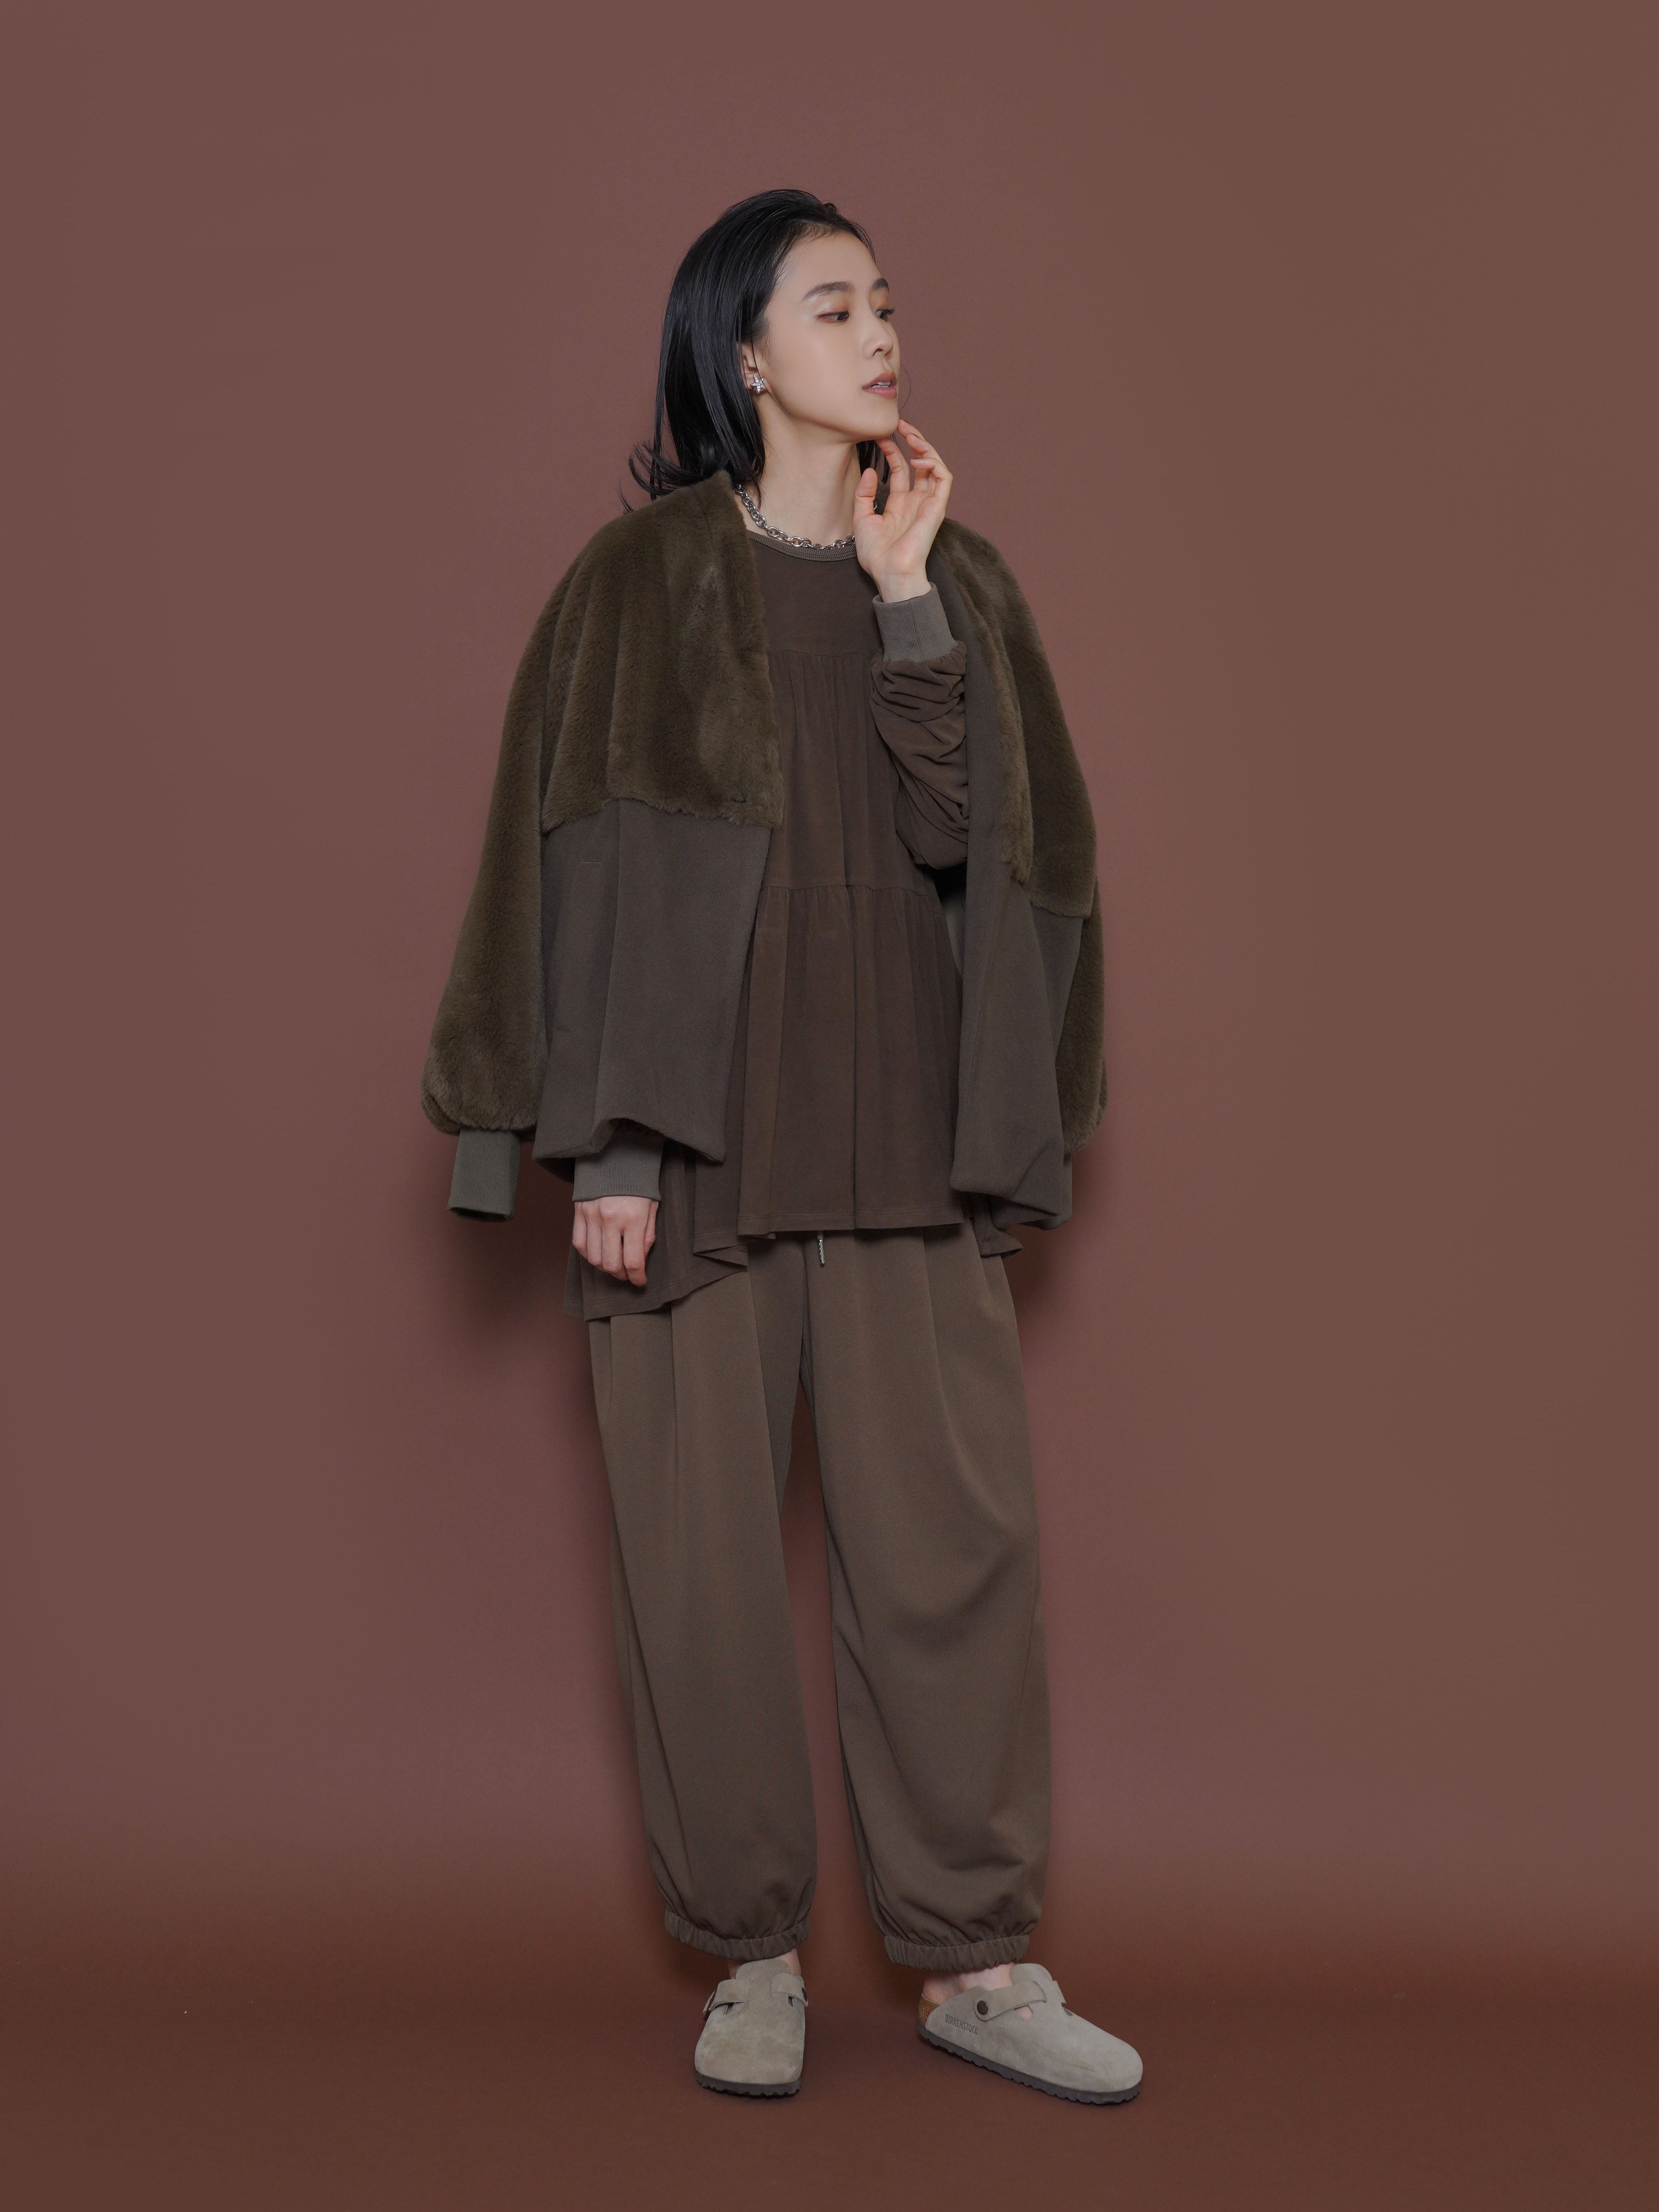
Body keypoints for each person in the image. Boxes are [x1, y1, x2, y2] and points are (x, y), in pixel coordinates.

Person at [422, 188, 1140, 2104]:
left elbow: (995, 854)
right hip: (692, 1150)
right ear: (741, 353)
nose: (879, 331)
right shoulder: (635, 582)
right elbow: (563, 856)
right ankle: (751, 1952)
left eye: (886, 301)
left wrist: (904, 600)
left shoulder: (960, 580)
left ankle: (977, 1963)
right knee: (699, 1573)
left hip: (910, 1139)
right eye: (834, 305)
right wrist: (597, 1143)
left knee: (951, 1562)